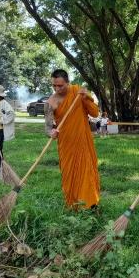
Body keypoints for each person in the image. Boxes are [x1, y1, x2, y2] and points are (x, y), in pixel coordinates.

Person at [45, 69, 100, 210]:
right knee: (69, 176)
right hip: (66, 144)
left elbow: (94, 113)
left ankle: (90, 204)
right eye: (54, 86)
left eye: (60, 86)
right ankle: (73, 204)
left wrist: (85, 97)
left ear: (68, 83)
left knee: (86, 172)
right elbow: (48, 127)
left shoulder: (77, 92)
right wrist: (51, 132)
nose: (57, 89)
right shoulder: (51, 102)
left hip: (82, 140)